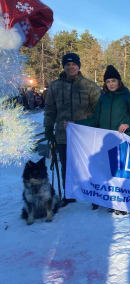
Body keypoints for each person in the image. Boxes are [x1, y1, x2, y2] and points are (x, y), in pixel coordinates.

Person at [76, 65, 130, 212]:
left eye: (113, 81)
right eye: (108, 81)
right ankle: (102, 197)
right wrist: (75, 124)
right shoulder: (103, 98)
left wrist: (128, 124)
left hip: (121, 140)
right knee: (104, 171)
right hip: (104, 141)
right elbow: (95, 119)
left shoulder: (127, 96)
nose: (111, 84)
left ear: (119, 81)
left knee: (118, 173)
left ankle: (118, 202)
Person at [44, 53, 101, 207]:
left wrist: (92, 126)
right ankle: (69, 194)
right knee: (66, 165)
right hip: (63, 135)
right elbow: (50, 109)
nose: (70, 67)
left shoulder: (89, 86)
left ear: (78, 66)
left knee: (89, 165)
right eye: (67, 65)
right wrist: (48, 127)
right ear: (64, 66)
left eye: (73, 64)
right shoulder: (55, 86)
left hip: (84, 135)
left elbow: (98, 110)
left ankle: (94, 194)